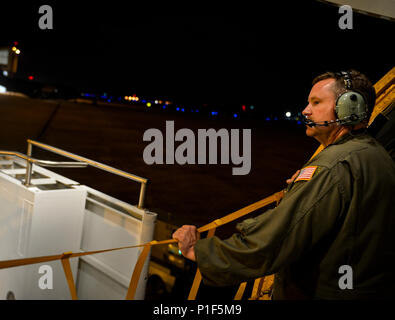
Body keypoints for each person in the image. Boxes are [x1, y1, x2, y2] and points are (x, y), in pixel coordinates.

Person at [172, 70, 395, 300]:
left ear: (349, 108)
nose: (305, 110)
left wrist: (197, 251)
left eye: (316, 102)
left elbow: (273, 241)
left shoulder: (333, 166)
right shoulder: (377, 157)